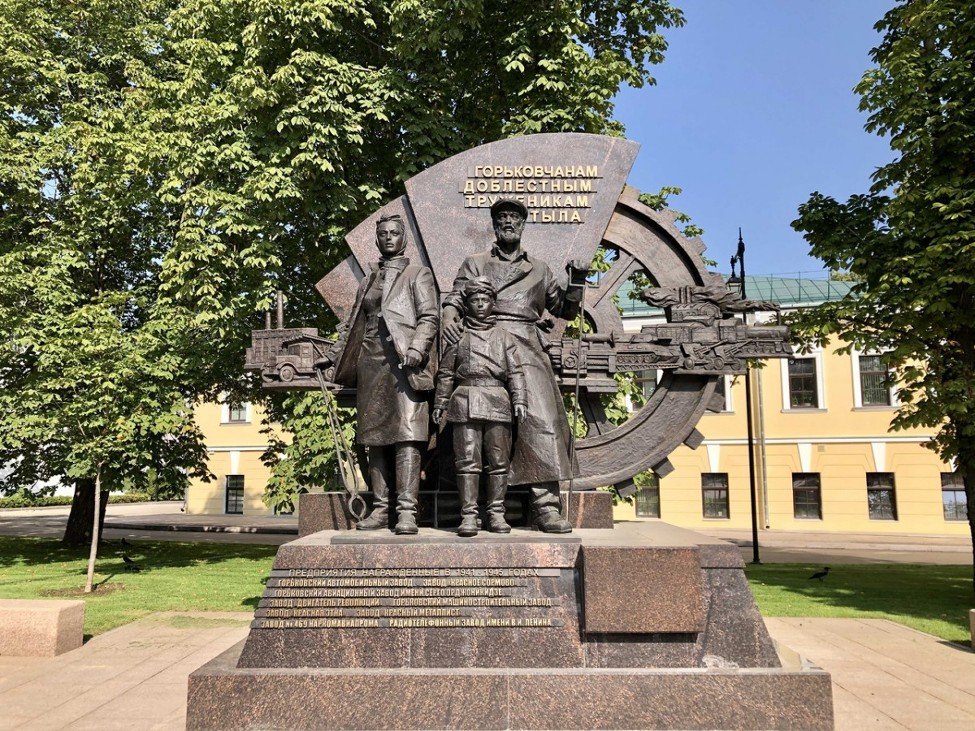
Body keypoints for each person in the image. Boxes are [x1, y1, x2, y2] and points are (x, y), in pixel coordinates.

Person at [441, 199, 587, 533]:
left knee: (542, 419)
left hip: (525, 343)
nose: (508, 223)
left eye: (515, 219)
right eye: (502, 218)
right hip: (482, 340)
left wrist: (577, 280)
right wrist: (450, 312)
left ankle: (546, 507)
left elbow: (565, 309)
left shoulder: (539, 268)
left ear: (523, 226)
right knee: (475, 423)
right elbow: (456, 295)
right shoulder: (476, 262)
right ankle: (473, 511)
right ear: (494, 225)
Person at [316, 214, 438, 535]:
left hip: (405, 365)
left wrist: (417, 348)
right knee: (376, 439)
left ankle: (408, 511)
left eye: (394, 233)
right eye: (382, 233)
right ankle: (382, 508)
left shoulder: (417, 274)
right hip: (370, 363)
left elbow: (429, 317)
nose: (388, 238)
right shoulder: (368, 280)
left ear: (403, 239)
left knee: (407, 436)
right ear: (376, 239)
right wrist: (330, 356)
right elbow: (351, 326)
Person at [433, 277, 527, 537]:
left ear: (493, 304)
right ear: (467, 304)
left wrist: (520, 399)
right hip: (464, 401)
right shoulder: (458, 336)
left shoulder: (504, 337)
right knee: (467, 463)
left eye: (485, 300)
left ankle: (496, 513)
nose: (480, 305)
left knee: (498, 462)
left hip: (497, 400)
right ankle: (469, 515)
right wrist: (440, 402)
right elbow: (446, 374)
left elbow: (516, 372)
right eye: (475, 300)